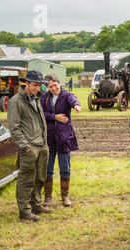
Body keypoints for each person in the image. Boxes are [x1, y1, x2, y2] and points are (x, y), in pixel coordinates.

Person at [7, 70, 51, 222]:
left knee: (40, 177)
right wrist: (25, 147)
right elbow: (14, 127)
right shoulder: (16, 101)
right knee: (26, 179)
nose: (37, 88)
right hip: (29, 146)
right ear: (26, 83)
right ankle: (25, 211)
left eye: (39, 85)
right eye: (34, 85)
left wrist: (44, 142)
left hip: (41, 144)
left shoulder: (36, 98)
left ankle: (36, 205)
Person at [40, 73, 81, 207]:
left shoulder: (66, 95)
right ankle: (48, 197)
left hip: (64, 138)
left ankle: (65, 196)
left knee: (65, 168)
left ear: (59, 83)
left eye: (55, 85)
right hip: (49, 138)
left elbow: (73, 99)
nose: (53, 88)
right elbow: (41, 113)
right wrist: (54, 116)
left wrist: (76, 106)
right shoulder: (44, 97)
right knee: (48, 169)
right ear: (46, 87)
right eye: (50, 86)